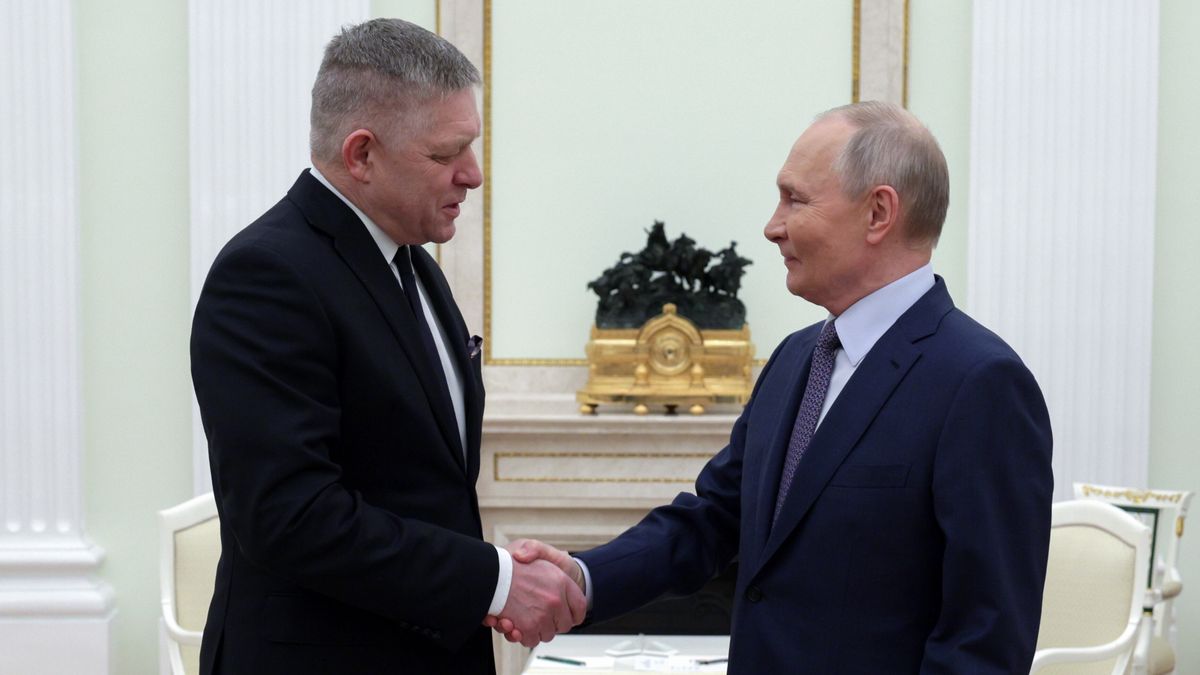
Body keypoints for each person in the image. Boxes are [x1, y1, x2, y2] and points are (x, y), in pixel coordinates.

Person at [493, 101, 1054, 673]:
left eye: (796, 198)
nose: (772, 226)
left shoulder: (981, 384)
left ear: (878, 212)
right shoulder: (795, 358)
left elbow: (984, 641)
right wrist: (585, 578)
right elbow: (715, 519)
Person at [191, 19, 583, 674]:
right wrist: (493, 578)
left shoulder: (412, 262)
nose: (474, 175)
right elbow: (291, 515)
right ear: (362, 154)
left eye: (473, 147)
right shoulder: (267, 275)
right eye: (445, 154)